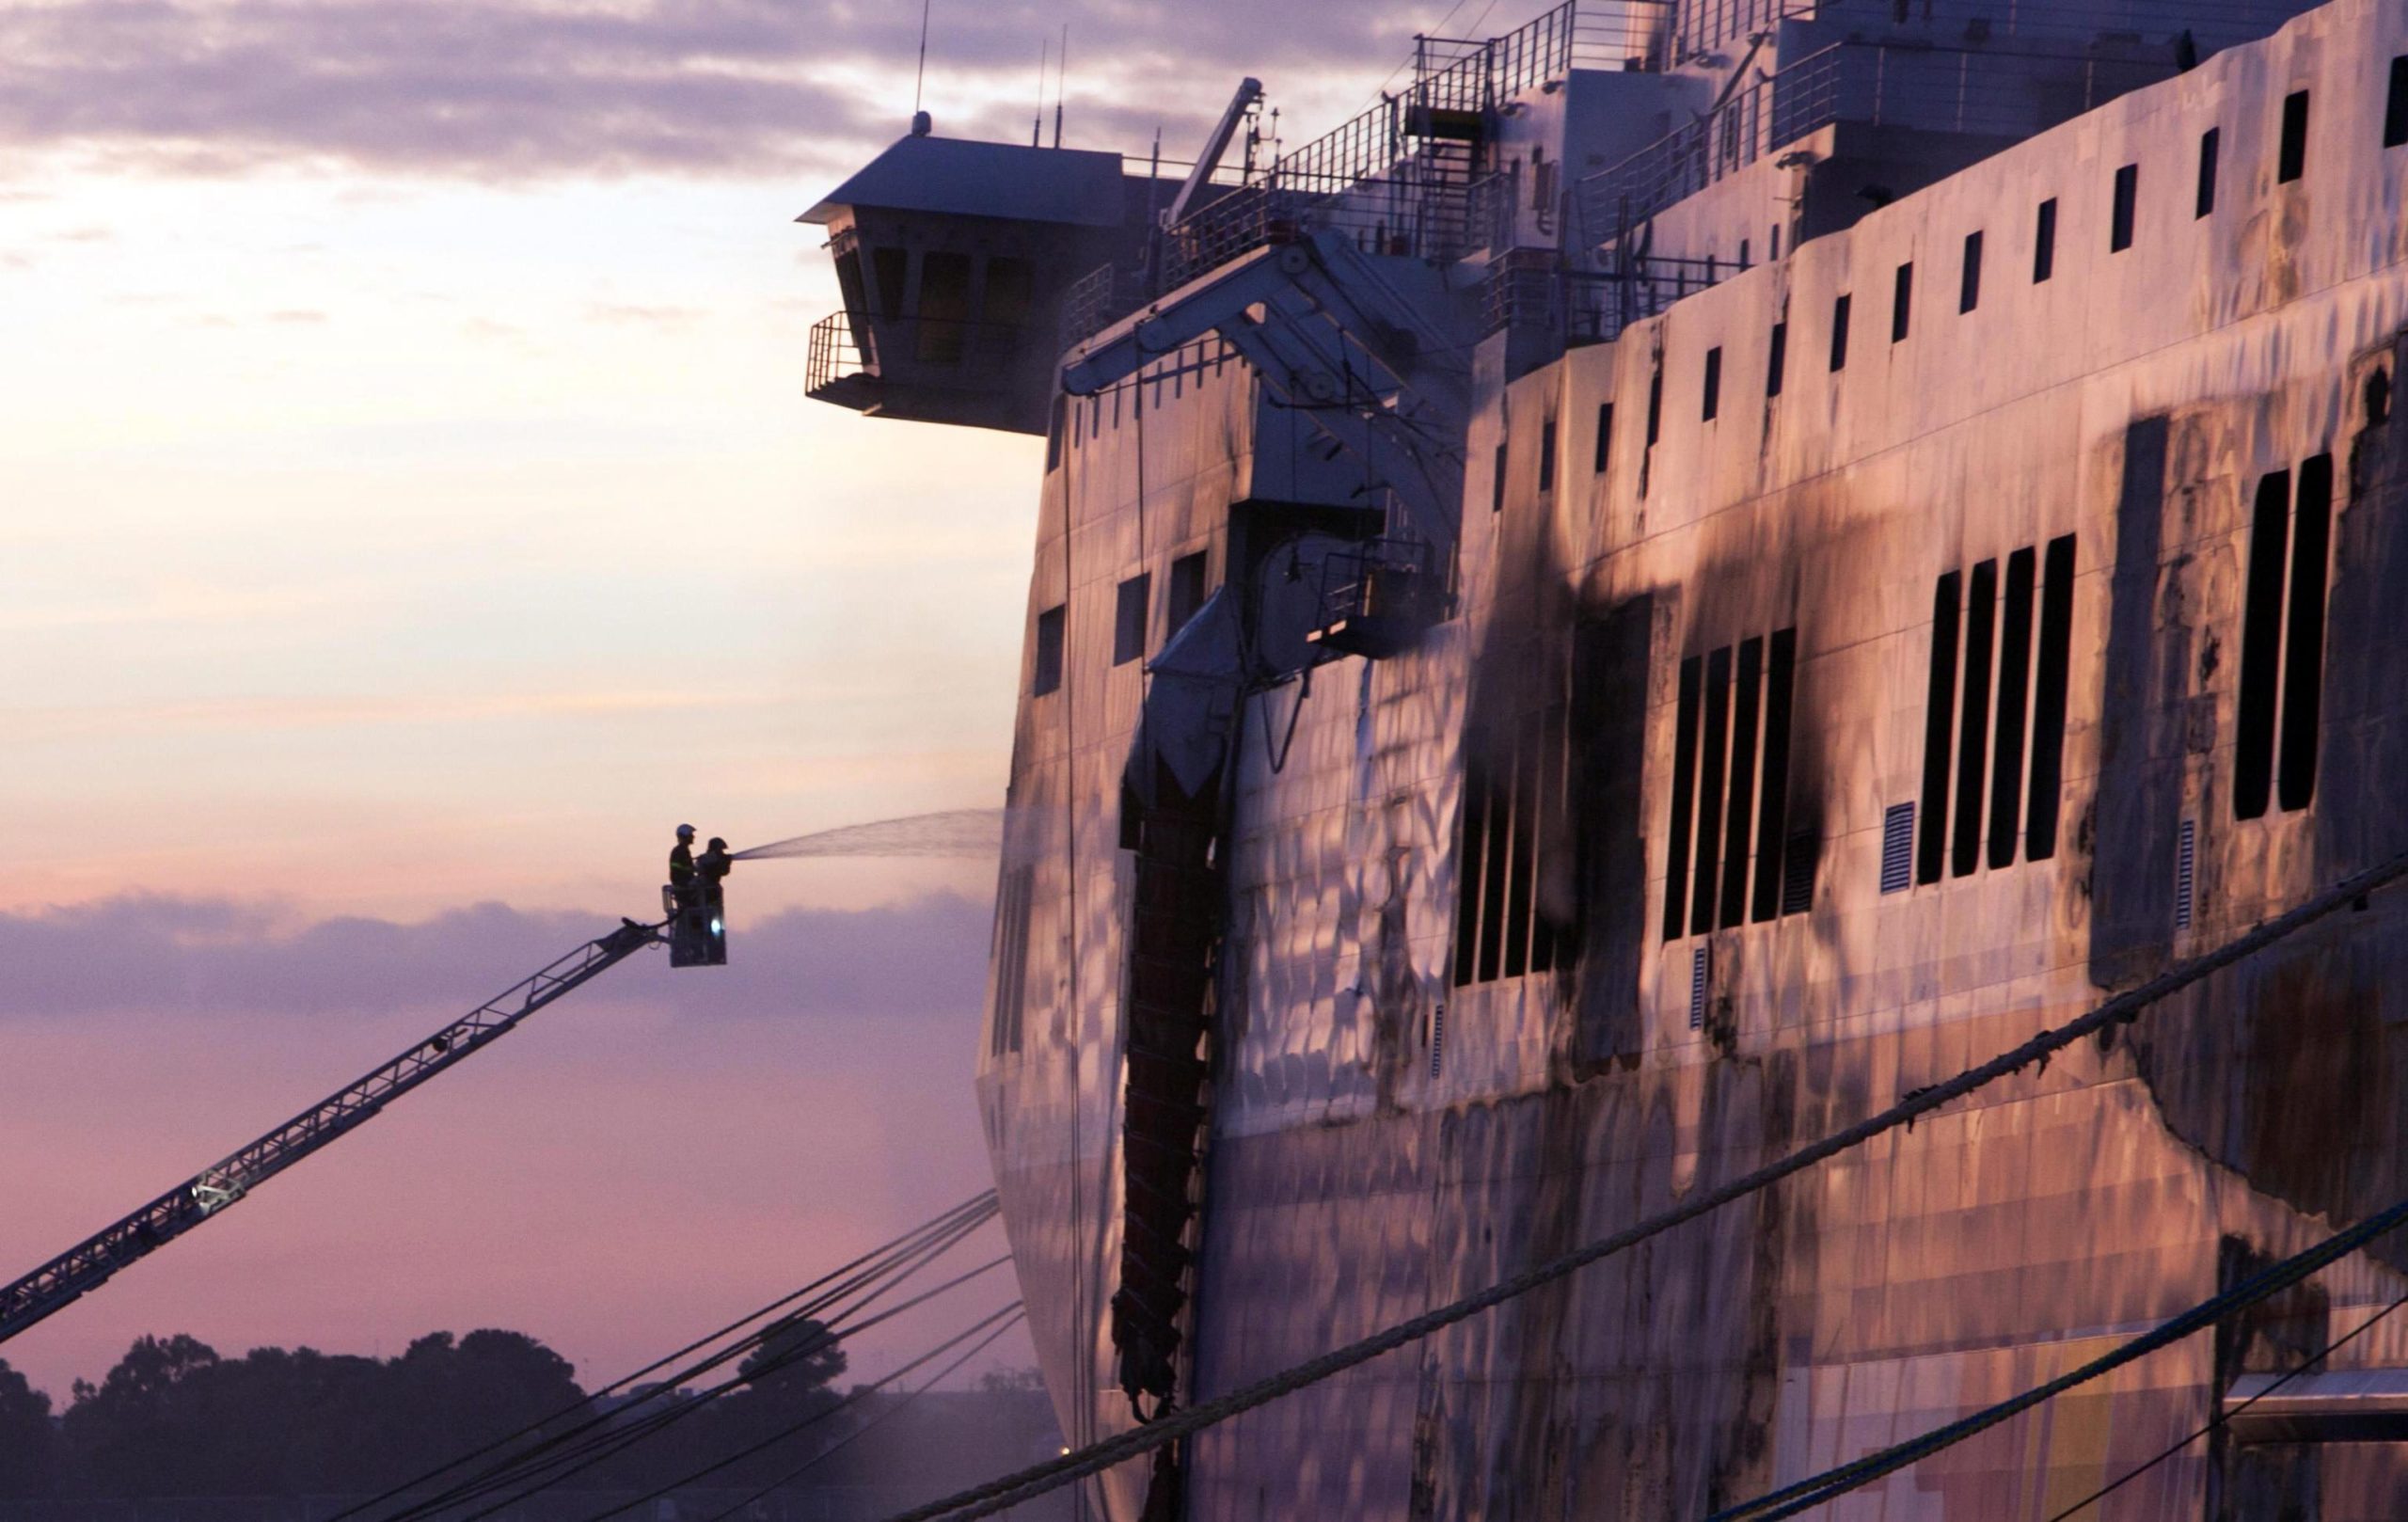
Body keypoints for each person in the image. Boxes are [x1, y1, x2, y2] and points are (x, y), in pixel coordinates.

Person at [697, 836, 734, 912]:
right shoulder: (707, 859)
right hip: (706, 891)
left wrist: (726, 863)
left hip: (710, 892)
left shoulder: (707, 859)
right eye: (720, 850)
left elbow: (724, 872)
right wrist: (725, 862)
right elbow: (720, 871)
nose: (722, 853)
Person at [669, 823, 698, 905]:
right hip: (684, 889)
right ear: (685, 836)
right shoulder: (679, 851)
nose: (693, 837)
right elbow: (677, 871)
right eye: (691, 835)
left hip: (684, 887)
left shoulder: (683, 851)